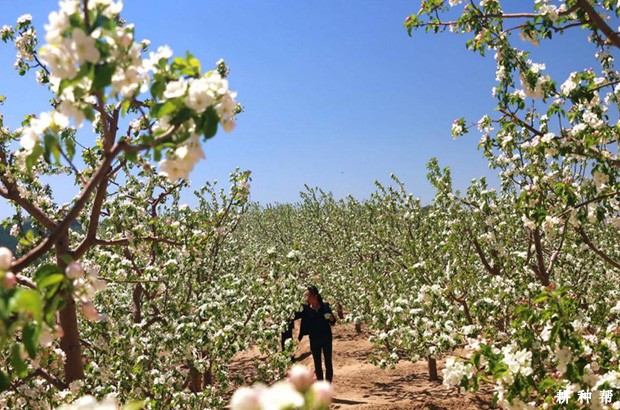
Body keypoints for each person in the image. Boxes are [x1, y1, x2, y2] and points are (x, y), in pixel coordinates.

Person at [295, 285, 336, 382]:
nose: (307, 298)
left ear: (315, 296)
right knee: (317, 364)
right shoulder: (306, 310)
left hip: (326, 338)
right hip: (314, 340)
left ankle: (328, 387)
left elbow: (333, 322)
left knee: (328, 363)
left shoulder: (325, 306)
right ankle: (321, 387)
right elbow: (294, 314)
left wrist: (331, 318)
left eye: (308, 295)